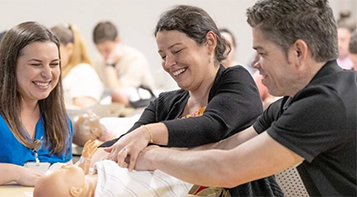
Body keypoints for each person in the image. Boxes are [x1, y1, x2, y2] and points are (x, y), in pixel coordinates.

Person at [133, 0, 357, 196]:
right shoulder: (289, 104)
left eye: (263, 53)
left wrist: (153, 154)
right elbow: (225, 148)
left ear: (298, 52)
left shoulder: (326, 103)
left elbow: (228, 170)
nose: (255, 63)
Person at [98, 5, 282, 197]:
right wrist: (96, 156)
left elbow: (212, 125)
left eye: (176, 51)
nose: (168, 63)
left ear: (210, 43)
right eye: (163, 56)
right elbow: (126, 141)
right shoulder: (163, 104)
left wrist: (149, 133)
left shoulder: (236, 82)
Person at [0, 21, 73, 187]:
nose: (48, 74)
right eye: (36, 64)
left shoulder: (59, 119)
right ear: (10, 66)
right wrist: (15, 173)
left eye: (54, 64)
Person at [33, 140, 192, 197]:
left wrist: (86, 159)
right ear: (75, 191)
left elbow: (83, 170)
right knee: (174, 172)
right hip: (147, 176)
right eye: (64, 170)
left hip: (137, 163)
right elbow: (132, 187)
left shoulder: (83, 184)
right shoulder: (106, 191)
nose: (68, 165)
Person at [92, 21, 155, 106]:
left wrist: (110, 65)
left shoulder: (135, 58)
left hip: (140, 108)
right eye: (100, 51)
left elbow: (118, 94)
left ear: (118, 41)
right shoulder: (98, 60)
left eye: (107, 50)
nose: (104, 56)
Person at [51, 23, 104, 109]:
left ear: (69, 49)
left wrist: (50, 106)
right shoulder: (62, 73)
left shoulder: (83, 72)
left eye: (54, 51)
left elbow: (86, 112)